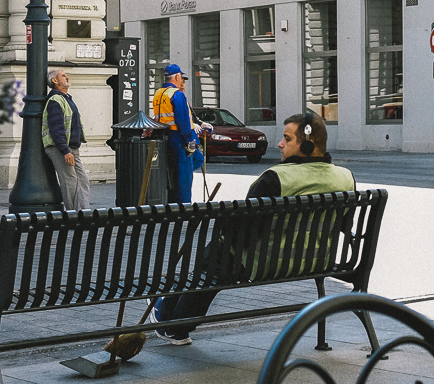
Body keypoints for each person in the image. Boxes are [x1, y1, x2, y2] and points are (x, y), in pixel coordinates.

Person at [149, 113, 354, 345]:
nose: (279, 144)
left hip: (264, 264)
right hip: (316, 262)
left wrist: (222, 235)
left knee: (214, 260)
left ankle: (172, 320)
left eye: (287, 139)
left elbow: (243, 233)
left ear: (308, 144)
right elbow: (346, 225)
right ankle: (172, 315)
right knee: (215, 260)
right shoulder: (345, 178)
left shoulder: (275, 178)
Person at [152, 64, 211, 203]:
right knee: (184, 175)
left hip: (165, 136)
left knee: (196, 160)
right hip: (179, 138)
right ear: (177, 77)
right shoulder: (177, 94)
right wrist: (191, 140)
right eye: (181, 78)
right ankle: (183, 206)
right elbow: (183, 121)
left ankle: (173, 199)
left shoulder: (158, 94)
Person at [42, 69, 90, 210]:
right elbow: (56, 128)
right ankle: (73, 215)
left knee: (82, 180)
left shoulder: (66, 98)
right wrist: (65, 151)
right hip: (61, 148)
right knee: (70, 181)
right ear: (55, 81)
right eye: (63, 75)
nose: (67, 77)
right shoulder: (55, 100)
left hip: (72, 147)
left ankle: (83, 213)